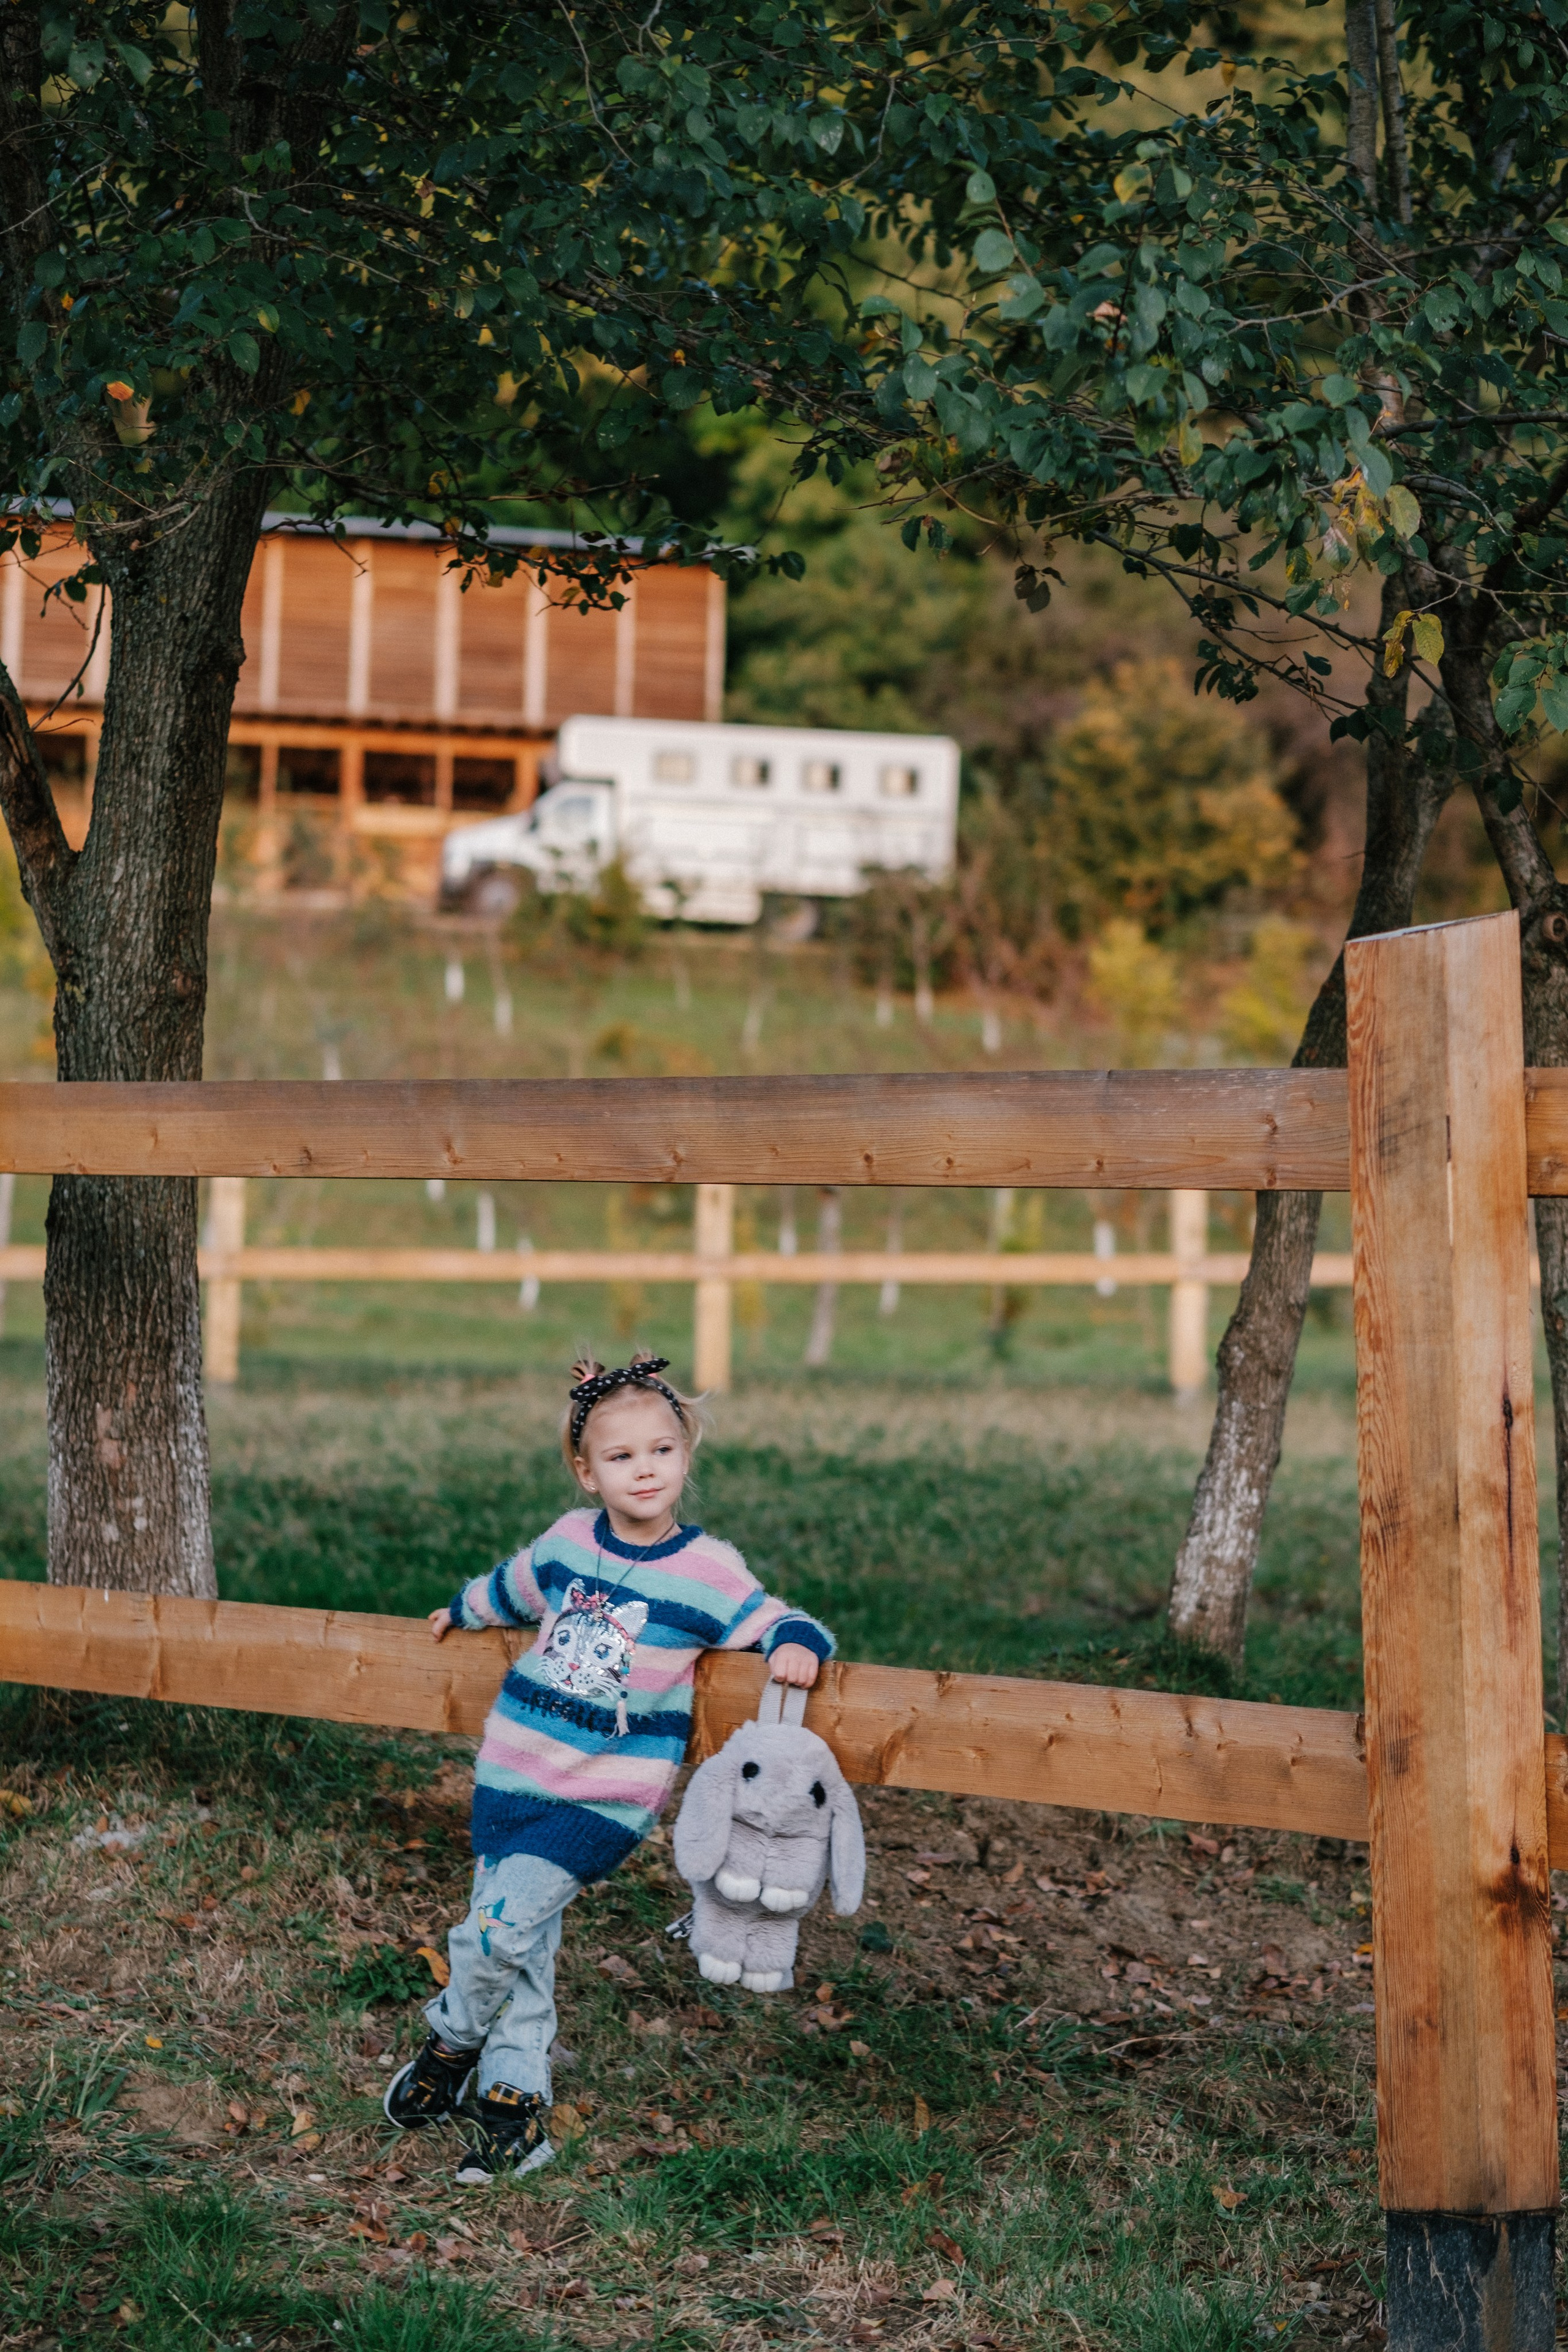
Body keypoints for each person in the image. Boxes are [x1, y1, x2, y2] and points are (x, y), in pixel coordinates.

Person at [385, 1349, 833, 2184]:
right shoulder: (564, 1543)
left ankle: (451, 2040)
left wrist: (800, 1640)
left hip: (602, 1798)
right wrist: (464, 1608)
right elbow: (513, 1589)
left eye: (662, 1450)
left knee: (495, 1930)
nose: (646, 1469)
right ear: (587, 1474)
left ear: (686, 1455)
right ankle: (514, 2110)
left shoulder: (706, 1572)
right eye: (622, 1457)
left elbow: (770, 1616)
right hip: (514, 1775)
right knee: (522, 1942)